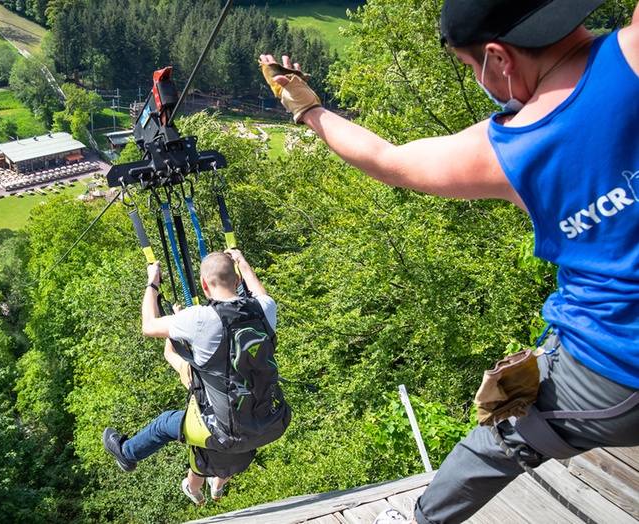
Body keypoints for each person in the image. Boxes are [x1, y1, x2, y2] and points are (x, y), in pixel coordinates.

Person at [259, 0, 639, 523]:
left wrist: (306, 108)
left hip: (615, 367)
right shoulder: (633, 54)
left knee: (503, 434)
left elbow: (389, 160)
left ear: (498, 59)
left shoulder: (515, 146)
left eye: (470, 67)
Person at [102, 248, 279, 504]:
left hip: (228, 430)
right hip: (268, 421)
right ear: (238, 280)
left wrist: (152, 281)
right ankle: (211, 484)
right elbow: (260, 293)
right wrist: (242, 262)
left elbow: (148, 326)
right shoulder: (264, 309)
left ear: (204, 285)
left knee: (165, 424)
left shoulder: (200, 317)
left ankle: (127, 454)